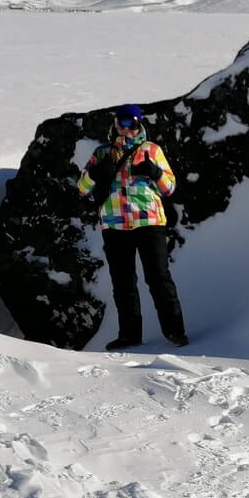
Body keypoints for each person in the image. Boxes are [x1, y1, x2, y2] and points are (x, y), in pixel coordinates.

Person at [76, 103, 188, 349]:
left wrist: (154, 172)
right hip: (114, 226)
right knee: (123, 283)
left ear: (138, 124)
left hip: (148, 222)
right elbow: (82, 188)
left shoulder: (151, 150)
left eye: (129, 122)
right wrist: (95, 175)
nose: (124, 127)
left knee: (158, 277)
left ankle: (175, 332)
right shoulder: (102, 153)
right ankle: (129, 335)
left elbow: (169, 187)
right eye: (120, 122)